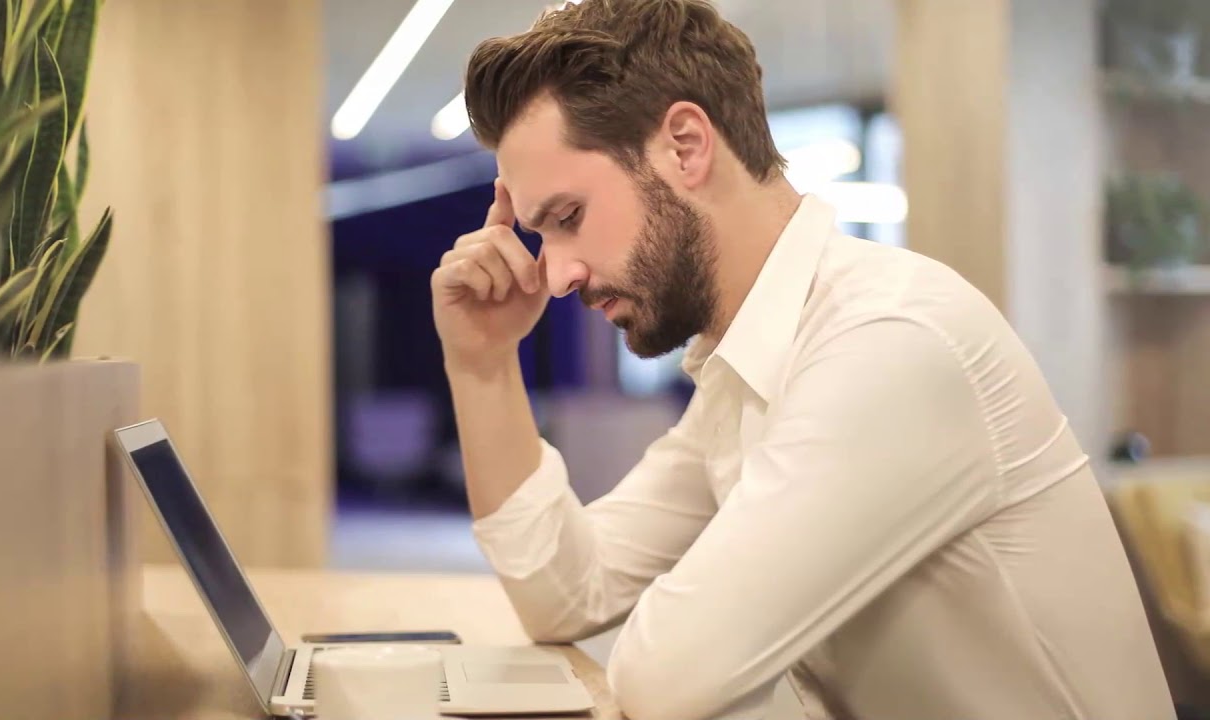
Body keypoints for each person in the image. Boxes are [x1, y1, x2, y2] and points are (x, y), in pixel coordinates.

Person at [429, 1, 1175, 719]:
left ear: (685, 146)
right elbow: (567, 594)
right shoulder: (744, 368)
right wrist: (484, 365)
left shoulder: (889, 340)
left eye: (567, 219)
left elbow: (672, 680)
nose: (555, 276)